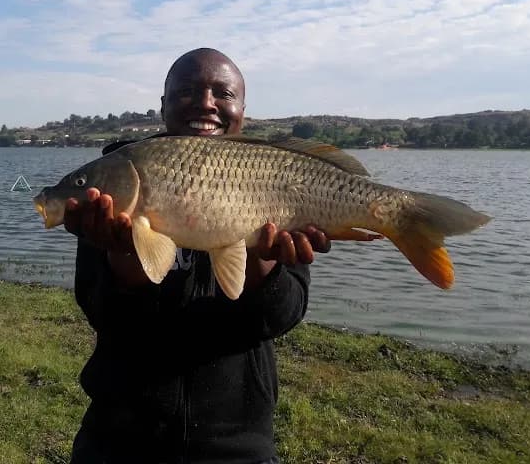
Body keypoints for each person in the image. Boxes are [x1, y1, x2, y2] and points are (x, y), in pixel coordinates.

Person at [64, 48, 337, 463]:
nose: (206, 103)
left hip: (238, 439)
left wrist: (263, 262)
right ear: (163, 106)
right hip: (120, 434)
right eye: (187, 91)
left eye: (222, 94)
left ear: (242, 109)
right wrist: (126, 259)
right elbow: (101, 313)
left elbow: (283, 315)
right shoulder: (118, 182)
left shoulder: (278, 176)